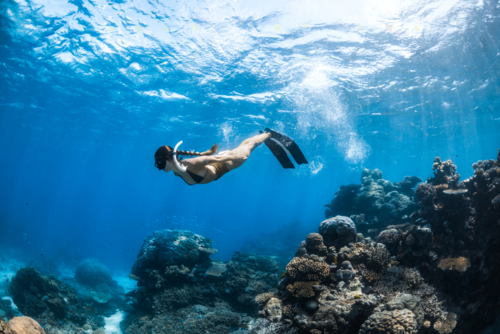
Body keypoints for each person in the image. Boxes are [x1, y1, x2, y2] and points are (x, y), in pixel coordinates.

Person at [154, 128, 308, 185]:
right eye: (157, 165)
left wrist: (234, 157)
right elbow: (203, 159)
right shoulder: (176, 170)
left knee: (247, 147)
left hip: (227, 163)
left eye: (159, 163)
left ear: (168, 158)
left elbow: (215, 159)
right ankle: (263, 135)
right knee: (244, 145)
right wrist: (206, 154)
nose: (159, 168)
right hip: (216, 165)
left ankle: (269, 134)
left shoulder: (187, 165)